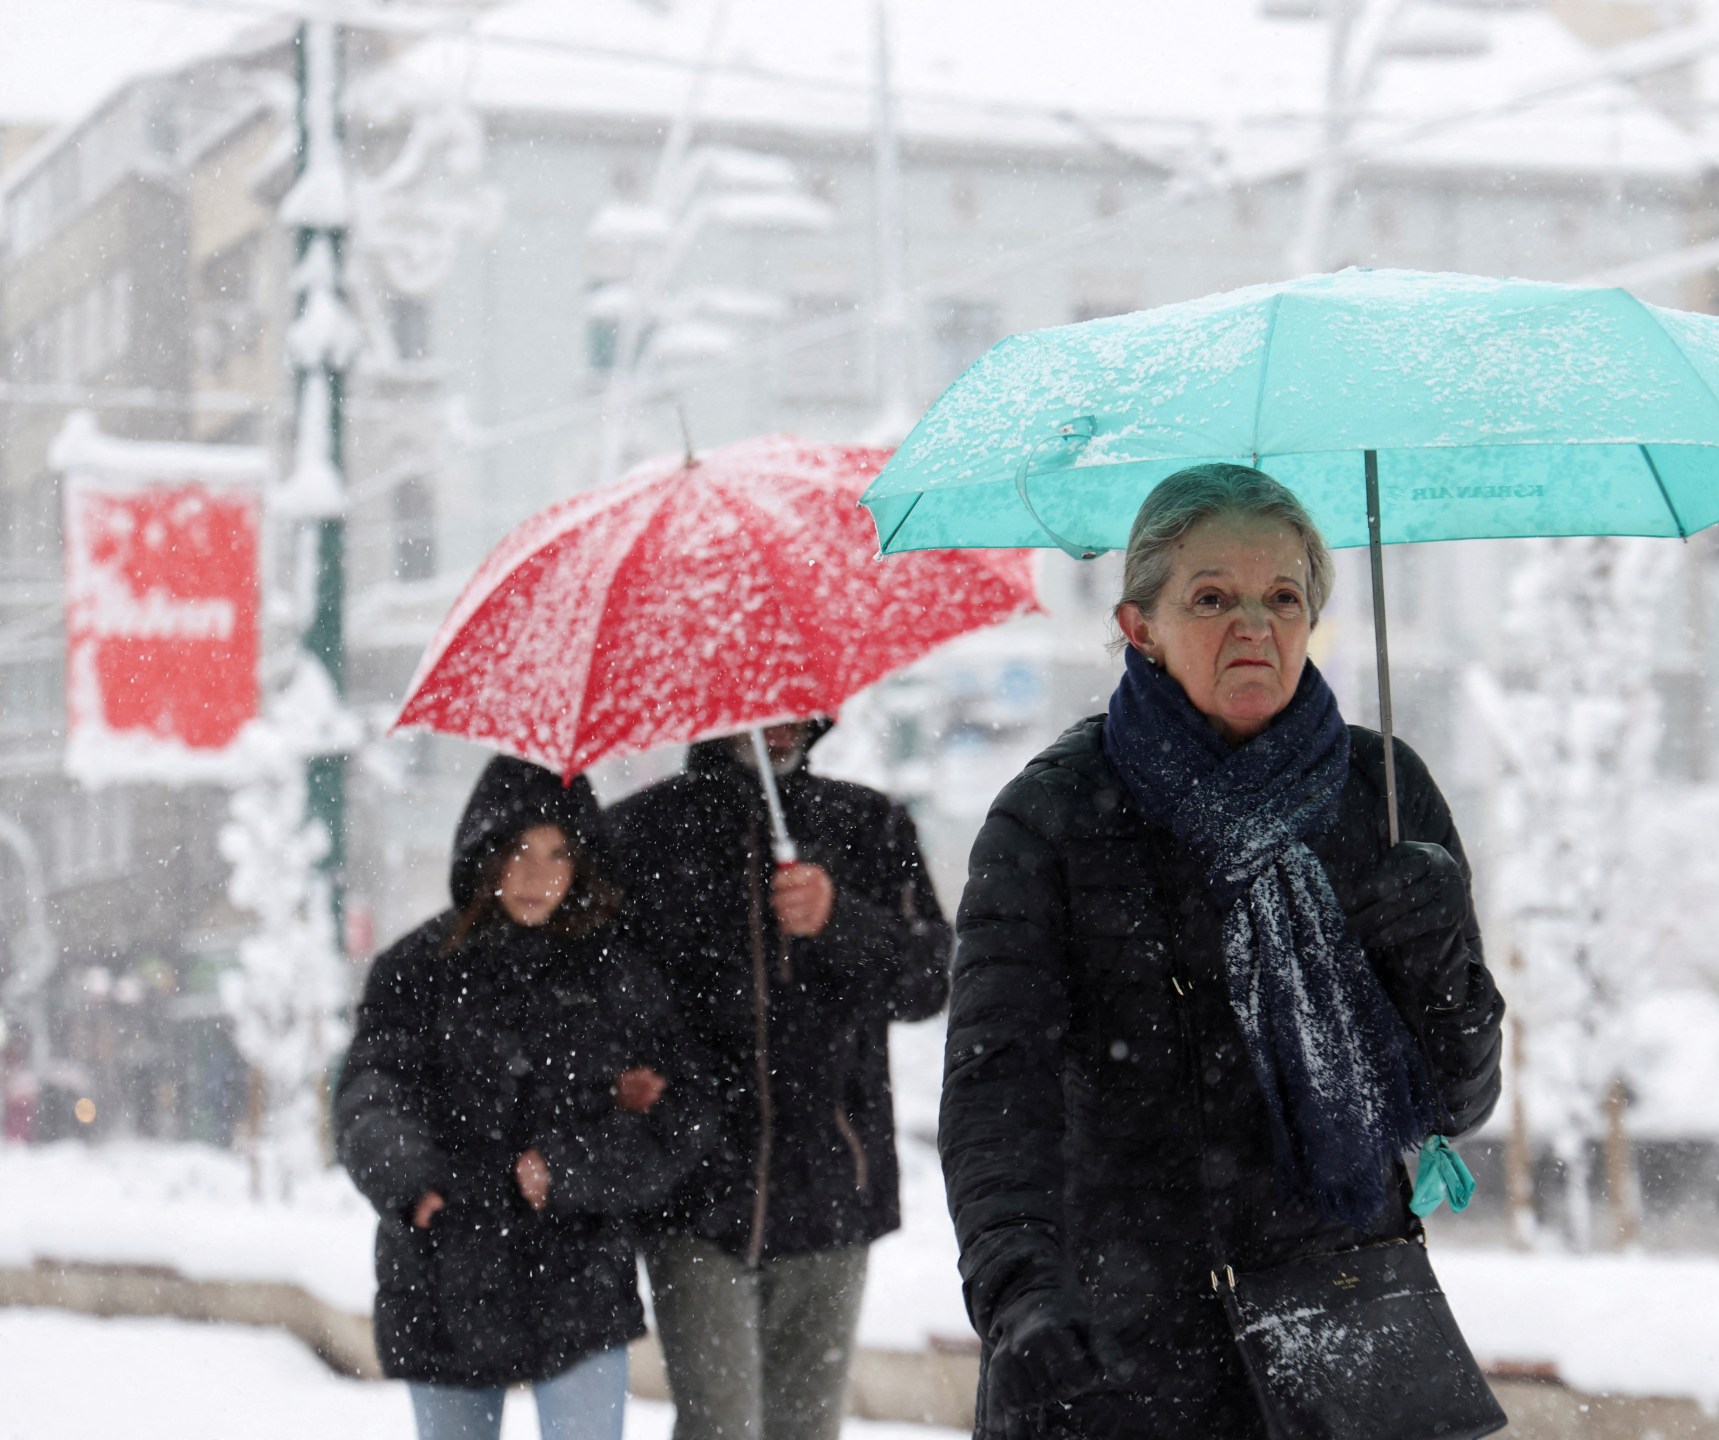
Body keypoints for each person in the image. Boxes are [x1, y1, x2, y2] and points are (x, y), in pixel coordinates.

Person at [940, 464, 1506, 1438]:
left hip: (1341, 1341)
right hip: (1117, 1347)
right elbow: (998, 1093)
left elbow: (1459, 1100)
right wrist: (1020, 1292)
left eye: (1283, 596)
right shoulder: (1055, 816)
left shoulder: (1383, 792)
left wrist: (1441, 955)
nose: (1255, 624)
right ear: (1139, 625)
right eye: (1212, 597)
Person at [335, 755, 716, 1440]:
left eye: (558, 853)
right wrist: (410, 1180)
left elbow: (682, 1115)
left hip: (577, 1276)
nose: (537, 876)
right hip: (444, 1262)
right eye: (517, 850)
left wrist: (571, 1167)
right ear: (484, 852)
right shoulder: (417, 969)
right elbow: (371, 1091)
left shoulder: (618, 978)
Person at [606, 720, 953, 1440]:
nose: (782, 714)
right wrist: (618, 1078)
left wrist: (840, 921)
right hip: (694, 1190)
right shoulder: (640, 835)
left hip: (829, 1185)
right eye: (762, 698)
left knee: (806, 1428)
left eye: (798, 693)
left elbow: (929, 980)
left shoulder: (869, 824)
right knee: (720, 1426)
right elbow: (595, 994)